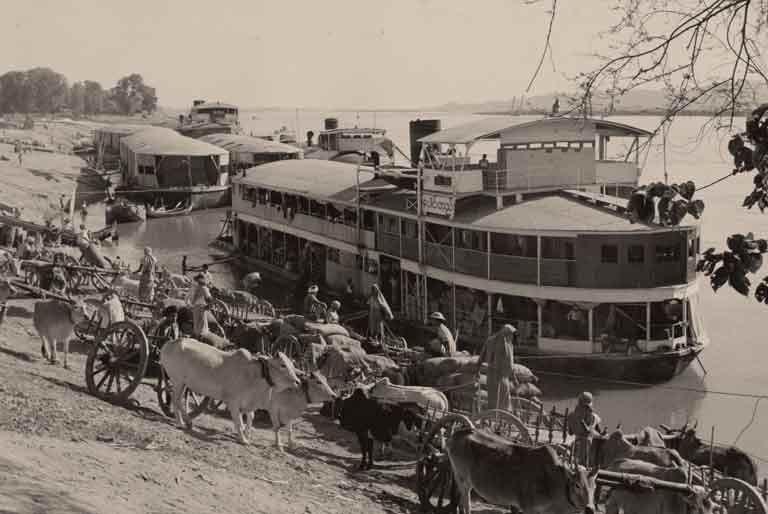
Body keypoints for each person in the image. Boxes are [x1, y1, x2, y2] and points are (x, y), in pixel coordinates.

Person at [476, 324, 518, 411]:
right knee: (504, 404)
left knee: (492, 400)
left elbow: (481, 358)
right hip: (501, 378)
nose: (512, 337)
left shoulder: (489, 340)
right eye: (511, 335)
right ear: (507, 334)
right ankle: (502, 415)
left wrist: (477, 371)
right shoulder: (507, 345)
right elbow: (510, 364)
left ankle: (492, 415)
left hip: (491, 377)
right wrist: (514, 379)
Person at [566, 392, 602, 467]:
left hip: (576, 442)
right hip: (588, 445)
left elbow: (570, 432)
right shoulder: (593, 416)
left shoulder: (571, 415)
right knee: (585, 465)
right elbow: (599, 432)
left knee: (576, 463)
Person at [187, 273, 213, 337]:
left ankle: (197, 334)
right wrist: (209, 305)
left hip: (196, 306)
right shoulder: (204, 288)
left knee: (197, 322)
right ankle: (201, 335)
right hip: (201, 306)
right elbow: (209, 298)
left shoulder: (197, 287)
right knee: (202, 322)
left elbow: (192, 298)